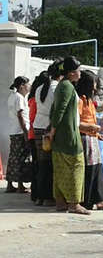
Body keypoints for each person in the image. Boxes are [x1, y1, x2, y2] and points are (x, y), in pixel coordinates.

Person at [48, 57, 88, 214]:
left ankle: (61, 202)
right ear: (71, 73)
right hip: (68, 134)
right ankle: (74, 203)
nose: (80, 74)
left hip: (60, 134)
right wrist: (53, 129)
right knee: (77, 166)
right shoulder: (67, 87)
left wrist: (53, 128)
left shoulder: (61, 85)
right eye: (78, 71)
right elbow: (60, 110)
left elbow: (54, 109)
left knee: (60, 168)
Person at [76, 70, 103, 211]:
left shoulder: (88, 101)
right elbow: (76, 122)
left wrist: (95, 132)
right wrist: (92, 127)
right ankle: (86, 200)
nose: (95, 87)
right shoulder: (80, 100)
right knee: (89, 169)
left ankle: (100, 199)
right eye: (94, 83)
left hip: (92, 137)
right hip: (84, 138)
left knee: (97, 168)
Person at [33, 60, 63, 206]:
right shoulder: (57, 88)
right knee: (50, 163)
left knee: (41, 162)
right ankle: (48, 196)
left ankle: (39, 196)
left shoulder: (40, 88)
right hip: (48, 127)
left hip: (38, 126)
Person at [6, 75, 32, 193]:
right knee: (22, 158)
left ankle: (10, 183)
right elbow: (21, 116)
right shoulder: (19, 98)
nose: (29, 87)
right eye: (27, 84)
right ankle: (20, 184)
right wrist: (26, 132)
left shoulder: (12, 97)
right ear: (22, 86)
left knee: (13, 157)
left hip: (13, 130)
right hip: (20, 131)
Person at [27, 71, 49, 203]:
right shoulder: (37, 99)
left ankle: (36, 195)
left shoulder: (33, 97)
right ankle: (39, 195)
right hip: (37, 133)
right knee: (41, 165)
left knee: (38, 165)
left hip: (33, 133)